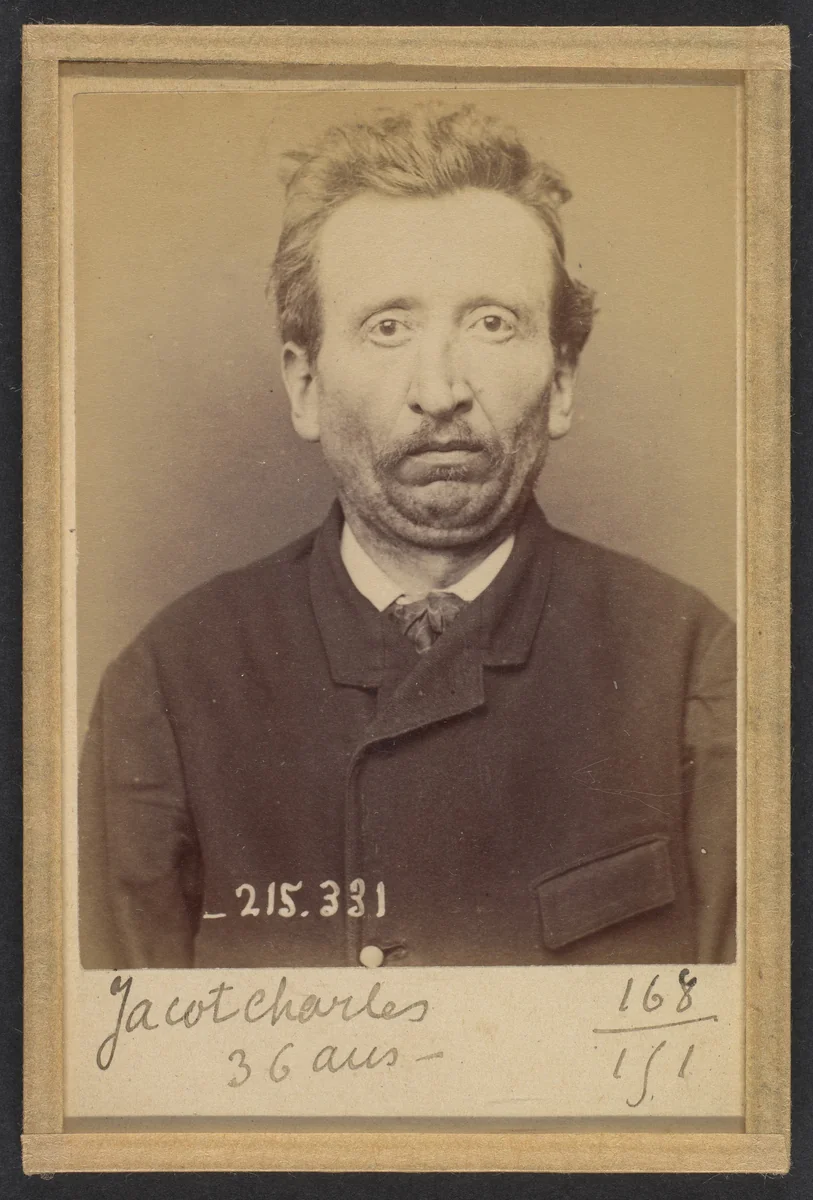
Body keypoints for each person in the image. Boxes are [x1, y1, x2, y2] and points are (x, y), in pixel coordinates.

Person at [79, 105, 736, 970]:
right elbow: (111, 1082)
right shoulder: (166, 685)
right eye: (388, 326)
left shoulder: (694, 663)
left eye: (491, 323)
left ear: (563, 379)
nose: (440, 388)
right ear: (306, 384)